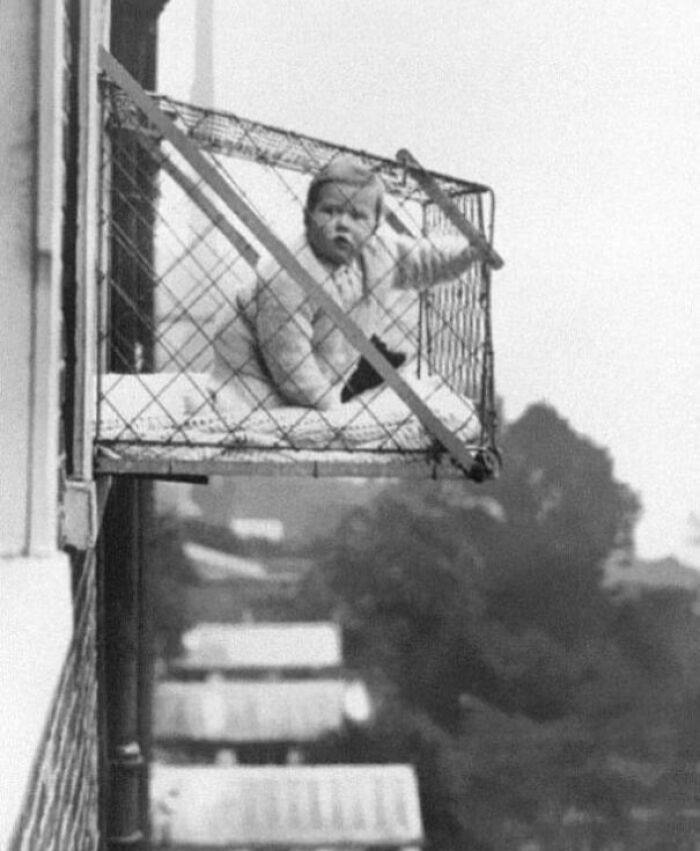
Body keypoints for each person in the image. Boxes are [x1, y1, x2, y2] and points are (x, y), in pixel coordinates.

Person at [209, 155, 495, 414]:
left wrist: (466, 254)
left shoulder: (379, 253)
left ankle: (332, 391)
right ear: (307, 217)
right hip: (249, 358)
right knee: (253, 406)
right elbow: (289, 360)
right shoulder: (288, 274)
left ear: (374, 227)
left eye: (357, 216)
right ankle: (232, 398)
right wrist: (329, 408)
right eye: (330, 211)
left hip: (326, 355)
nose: (342, 223)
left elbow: (425, 260)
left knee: (320, 393)